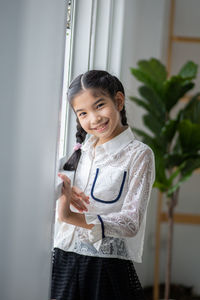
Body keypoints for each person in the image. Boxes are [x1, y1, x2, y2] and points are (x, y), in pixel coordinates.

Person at [51, 70, 155, 300]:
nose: (94, 118)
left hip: (104, 268)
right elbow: (42, 183)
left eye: (99, 105)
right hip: (62, 258)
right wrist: (64, 190)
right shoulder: (80, 152)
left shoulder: (139, 155)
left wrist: (71, 217)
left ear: (118, 101)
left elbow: (130, 222)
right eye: (83, 113)